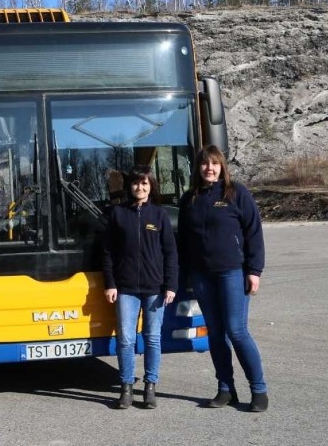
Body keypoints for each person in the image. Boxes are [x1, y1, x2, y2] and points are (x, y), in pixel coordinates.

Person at [178, 145, 268, 413]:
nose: (210, 168)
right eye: (205, 164)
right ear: (198, 168)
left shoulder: (236, 193)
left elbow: (254, 232)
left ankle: (259, 389)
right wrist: (185, 275)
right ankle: (226, 389)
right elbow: (183, 240)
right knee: (215, 334)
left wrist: (254, 271)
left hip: (232, 272)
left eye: (215, 164)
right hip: (202, 275)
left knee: (236, 331)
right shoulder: (189, 199)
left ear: (222, 167)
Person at [102, 165, 177, 409]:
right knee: (125, 339)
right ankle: (125, 388)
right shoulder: (117, 214)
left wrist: (171, 285)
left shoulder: (159, 215)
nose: (140, 187)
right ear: (130, 186)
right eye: (136, 183)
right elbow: (108, 253)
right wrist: (110, 284)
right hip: (125, 289)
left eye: (145, 183)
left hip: (155, 288)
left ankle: (150, 387)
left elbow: (170, 253)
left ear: (151, 186)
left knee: (153, 338)